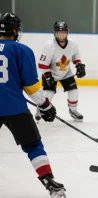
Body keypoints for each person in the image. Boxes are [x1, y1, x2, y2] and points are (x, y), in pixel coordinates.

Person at [0, 12, 66, 198]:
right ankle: (50, 183)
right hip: (14, 107)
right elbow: (31, 86)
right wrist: (45, 106)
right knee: (33, 145)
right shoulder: (22, 50)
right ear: (14, 30)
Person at [36, 21, 86, 122]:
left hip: (66, 73)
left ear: (67, 33)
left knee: (74, 93)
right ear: (55, 33)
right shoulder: (49, 46)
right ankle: (40, 110)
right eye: (59, 32)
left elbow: (76, 55)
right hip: (50, 73)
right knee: (48, 95)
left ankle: (73, 111)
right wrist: (48, 76)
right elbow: (42, 64)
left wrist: (79, 64)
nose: (62, 34)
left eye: (63, 32)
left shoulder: (72, 44)